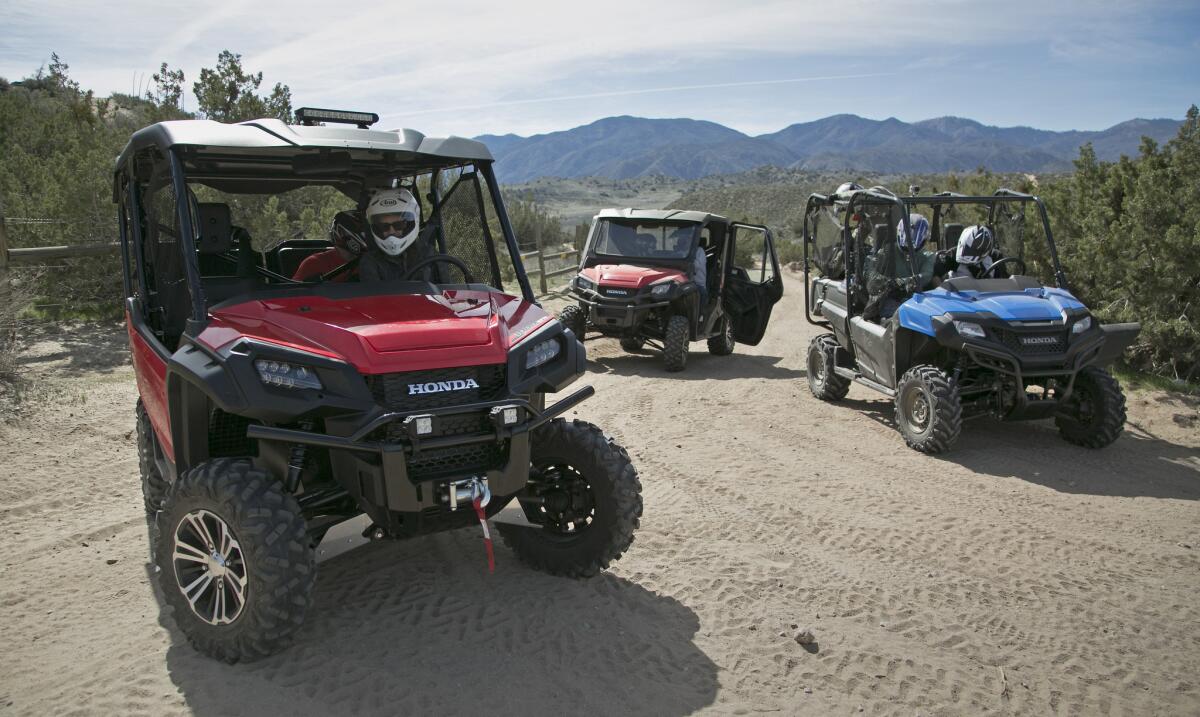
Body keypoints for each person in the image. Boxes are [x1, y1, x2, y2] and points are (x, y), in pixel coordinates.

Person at [864, 213, 936, 320]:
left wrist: (907, 281)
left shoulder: (928, 257)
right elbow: (872, 274)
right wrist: (887, 282)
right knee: (899, 313)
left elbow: (926, 275)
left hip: (917, 299)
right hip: (890, 298)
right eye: (906, 246)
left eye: (913, 246)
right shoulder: (888, 251)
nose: (909, 250)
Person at [357, 187, 432, 282]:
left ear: (410, 224)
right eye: (383, 226)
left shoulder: (428, 255)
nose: (391, 231)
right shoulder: (370, 262)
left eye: (398, 225)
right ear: (376, 228)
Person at [292, 210, 367, 282]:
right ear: (343, 233)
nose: (368, 236)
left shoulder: (373, 262)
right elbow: (293, 292)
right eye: (364, 232)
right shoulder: (314, 263)